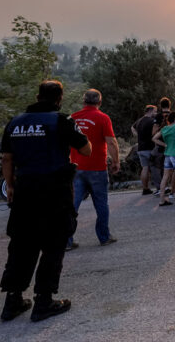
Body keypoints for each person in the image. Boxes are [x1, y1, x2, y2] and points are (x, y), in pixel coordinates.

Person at [0, 80, 91, 323]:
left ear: (37, 95)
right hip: (54, 192)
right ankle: (44, 301)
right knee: (53, 244)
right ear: (59, 98)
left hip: (24, 192)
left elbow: (7, 159)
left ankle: (12, 300)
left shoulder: (15, 122)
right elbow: (86, 150)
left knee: (21, 245)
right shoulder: (61, 120)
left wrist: (10, 186)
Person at [68, 89, 120, 250]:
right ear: (99, 102)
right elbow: (111, 142)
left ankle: (67, 240)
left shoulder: (72, 118)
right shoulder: (103, 118)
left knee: (72, 205)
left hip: (76, 168)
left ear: (83, 102)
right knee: (101, 204)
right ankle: (104, 237)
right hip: (97, 168)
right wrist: (116, 161)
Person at [132, 105, 158, 195]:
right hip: (149, 147)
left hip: (140, 148)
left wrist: (138, 135)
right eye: (155, 111)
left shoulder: (139, 120)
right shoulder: (151, 121)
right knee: (154, 168)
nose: (156, 113)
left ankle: (145, 188)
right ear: (150, 111)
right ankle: (158, 187)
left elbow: (132, 128)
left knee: (145, 168)